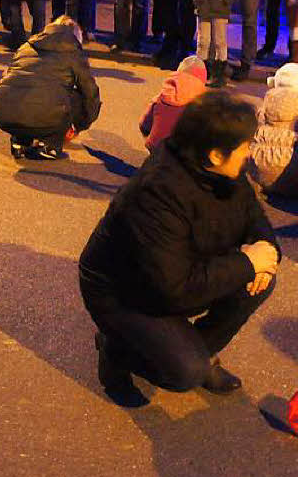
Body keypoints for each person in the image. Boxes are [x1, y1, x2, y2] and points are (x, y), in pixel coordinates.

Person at [79, 91, 280, 406]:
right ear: (215, 154)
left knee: (259, 279)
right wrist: (246, 263)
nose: (249, 154)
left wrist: (266, 251)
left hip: (179, 273)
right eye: (245, 147)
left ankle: (198, 351)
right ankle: (115, 348)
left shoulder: (219, 169)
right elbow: (173, 289)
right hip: (124, 294)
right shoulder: (157, 193)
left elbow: (254, 218)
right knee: (184, 372)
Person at [0, 16, 101, 160]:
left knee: (22, 88)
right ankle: (49, 145)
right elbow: (91, 94)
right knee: (77, 97)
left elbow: (11, 77)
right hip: (47, 116)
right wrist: (80, 124)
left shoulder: (27, 45)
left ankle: (20, 140)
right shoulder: (74, 52)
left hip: (3, 112)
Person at [249, 63, 298, 196]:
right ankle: (292, 181)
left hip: (258, 164)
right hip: (292, 167)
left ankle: (266, 179)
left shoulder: (263, 108)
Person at [138, 55, 207, 151]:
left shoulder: (163, 95)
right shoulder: (205, 105)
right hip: (184, 155)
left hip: (156, 147)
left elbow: (144, 124)